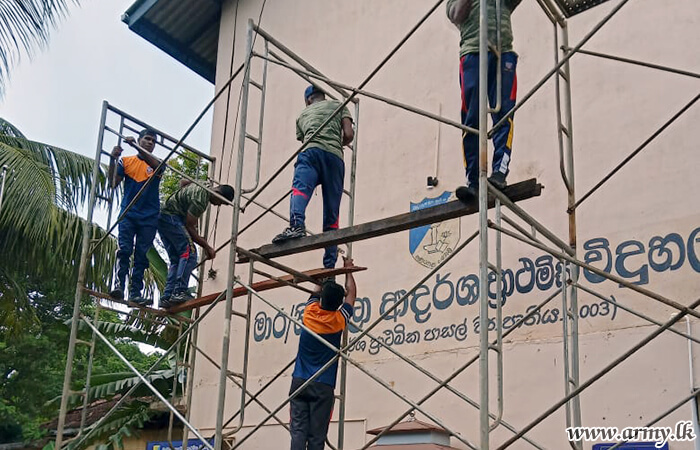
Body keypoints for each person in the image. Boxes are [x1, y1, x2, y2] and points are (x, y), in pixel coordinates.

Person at [447, 0, 522, 201]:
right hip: (472, 52)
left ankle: (499, 172)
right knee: (471, 119)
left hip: (503, 50)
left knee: (504, 114)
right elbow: (455, 15)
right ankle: (474, 180)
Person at [272, 85, 354, 269]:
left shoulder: (302, 115)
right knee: (332, 212)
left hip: (310, 154)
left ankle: (297, 226)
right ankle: (329, 264)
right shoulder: (339, 106)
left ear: (308, 100)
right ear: (322, 96)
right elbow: (349, 134)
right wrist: (335, 143)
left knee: (300, 190)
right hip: (334, 158)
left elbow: (305, 139)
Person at [289, 256, 357, 450]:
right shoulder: (338, 320)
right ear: (338, 303)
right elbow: (352, 294)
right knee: (317, 436)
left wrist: (327, 269)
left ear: (321, 301)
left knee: (298, 431)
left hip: (300, 382)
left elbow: (316, 287)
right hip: (323, 385)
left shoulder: (309, 312)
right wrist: (348, 270)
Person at [108, 129, 162, 305]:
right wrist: (112, 160)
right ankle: (118, 285)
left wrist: (137, 147)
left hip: (149, 216)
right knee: (124, 250)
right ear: (140, 140)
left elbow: (157, 167)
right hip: (129, 213)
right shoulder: (127, 161)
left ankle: (135, 293)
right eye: (147, 139)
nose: (150, 143)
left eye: (153, 141)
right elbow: (113, 183)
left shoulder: (157, 164)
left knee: (141, 255)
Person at [158, 182, 234, 307]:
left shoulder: (204, 184)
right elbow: (189, 226)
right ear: (219, 194)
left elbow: (183, 182)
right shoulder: (201, 199)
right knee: (189, 253)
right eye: (221, 202)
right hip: (172, 218)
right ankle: (179, 291)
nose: (218, 205)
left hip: (163, 217)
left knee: (176, 259)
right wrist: (207, 247)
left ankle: (167, 296)